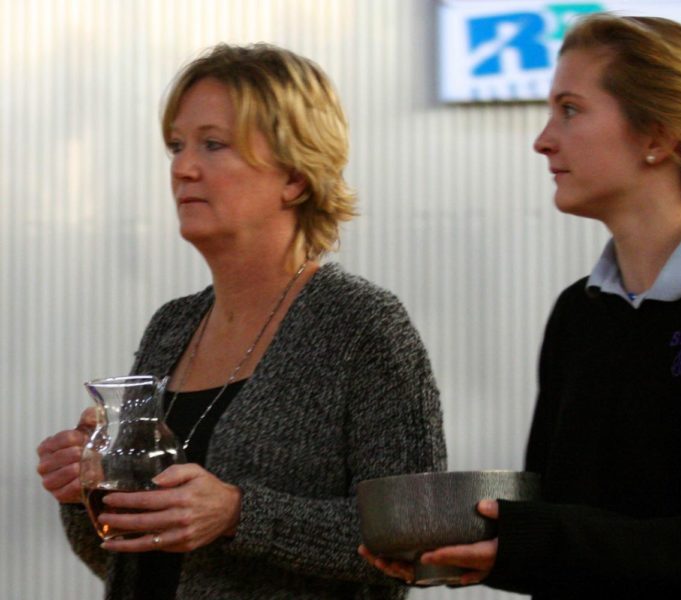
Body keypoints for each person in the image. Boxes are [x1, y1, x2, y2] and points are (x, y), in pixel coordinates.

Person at [362, 13, 681, 599]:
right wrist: (487, 550)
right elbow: (569, 526)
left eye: (570, 109)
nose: (543, 139)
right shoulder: (578, 314)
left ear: (657, 138)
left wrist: (542, 540)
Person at [36, 43, 446, 599]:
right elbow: (126, 559)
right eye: (177, 146)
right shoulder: (172, 327)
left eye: (214, 144)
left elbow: (413, 543)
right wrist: (86, 491)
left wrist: (238, 515)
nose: (183, 167)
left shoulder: (362, 326)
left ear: (296, 177)